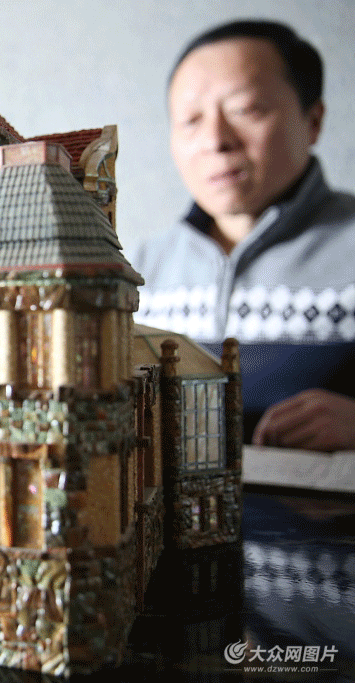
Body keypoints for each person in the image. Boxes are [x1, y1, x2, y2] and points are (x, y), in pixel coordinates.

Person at [131, 20, 355, 452]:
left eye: (246, 110)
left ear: (313, 120)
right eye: (191, 120)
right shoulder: (138, 270)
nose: (216, 140)